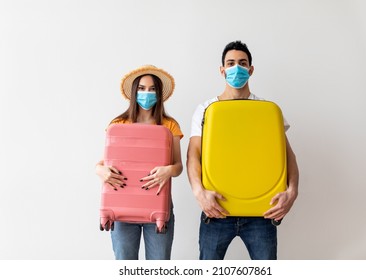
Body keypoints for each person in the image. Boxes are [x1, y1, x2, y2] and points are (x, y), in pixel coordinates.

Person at [186, 41, 299, 260]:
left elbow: (288, 156)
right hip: (216, 209)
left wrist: (292, 191)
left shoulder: (267, 110)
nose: (236, 68)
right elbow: (193, 155)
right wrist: (199, 194)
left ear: (251, 69)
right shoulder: (205, 109)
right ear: (222, 70)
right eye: (230, 63)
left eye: (242, 63)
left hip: (261, 214)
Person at [95, 65, 183, 260]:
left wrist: (168, 171)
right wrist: (99, 169)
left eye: (152, 89)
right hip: (121, 209)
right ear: (134, 92)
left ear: (159, 94)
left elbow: (178, 166)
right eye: (142, 88)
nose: (147, 93)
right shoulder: (118, 124)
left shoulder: (170, 125)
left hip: (158, 207)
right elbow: (104, 162)